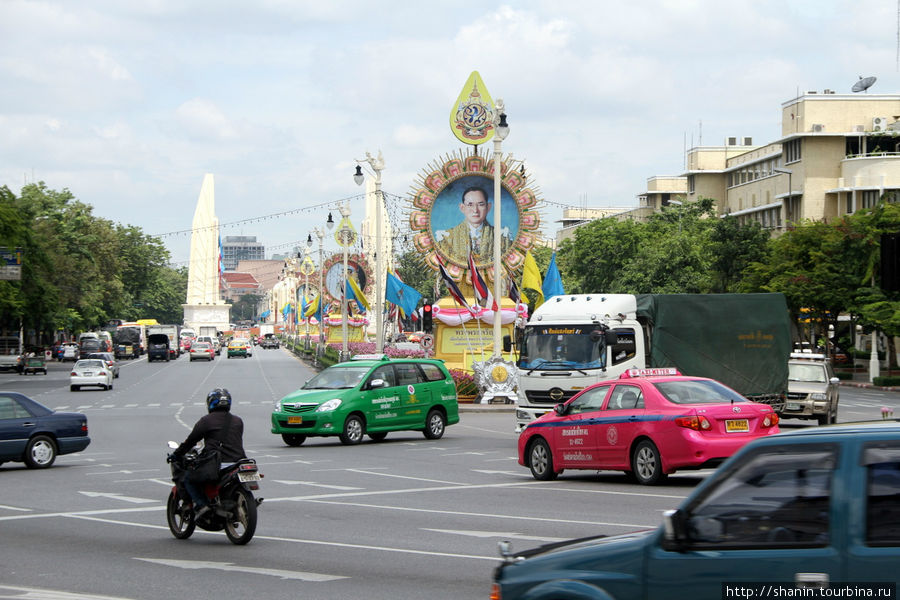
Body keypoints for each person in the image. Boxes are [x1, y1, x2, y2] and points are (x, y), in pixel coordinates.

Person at [171, 388, 246, 518]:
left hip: (218, 464)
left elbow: (191, 441)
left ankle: (202, 505)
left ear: (211, 403)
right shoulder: (238, 421)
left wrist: (177, 454)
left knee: (188, 479)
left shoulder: (206, 421)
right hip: (239, 462)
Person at [436, 186, 511, 263]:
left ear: (488, 207)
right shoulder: (447, 238)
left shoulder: (502, 237)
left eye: (480, 204)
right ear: (462, 208)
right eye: (470, 205)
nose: (475, 210)